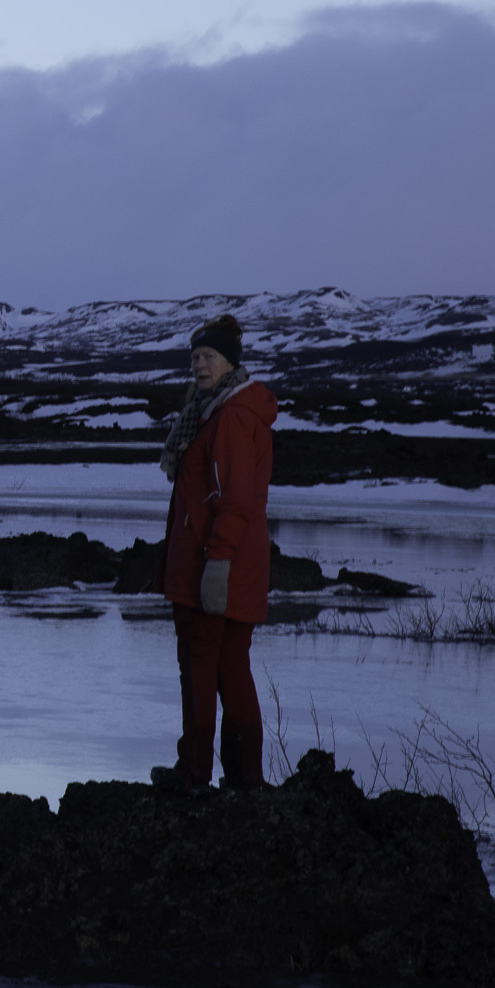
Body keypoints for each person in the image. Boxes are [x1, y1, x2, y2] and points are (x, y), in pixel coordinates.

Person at [151, 313, 277, 793]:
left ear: (230, 362)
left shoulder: (231, 416)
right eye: (194, 358)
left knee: (203, 665)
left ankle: (197, 772)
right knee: (225, 667)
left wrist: (217, 565)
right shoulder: (215, 411)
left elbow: (233, 498)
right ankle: (243, 776)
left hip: (218, 565)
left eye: (208, 357)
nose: (199, 366)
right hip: (222, 563)